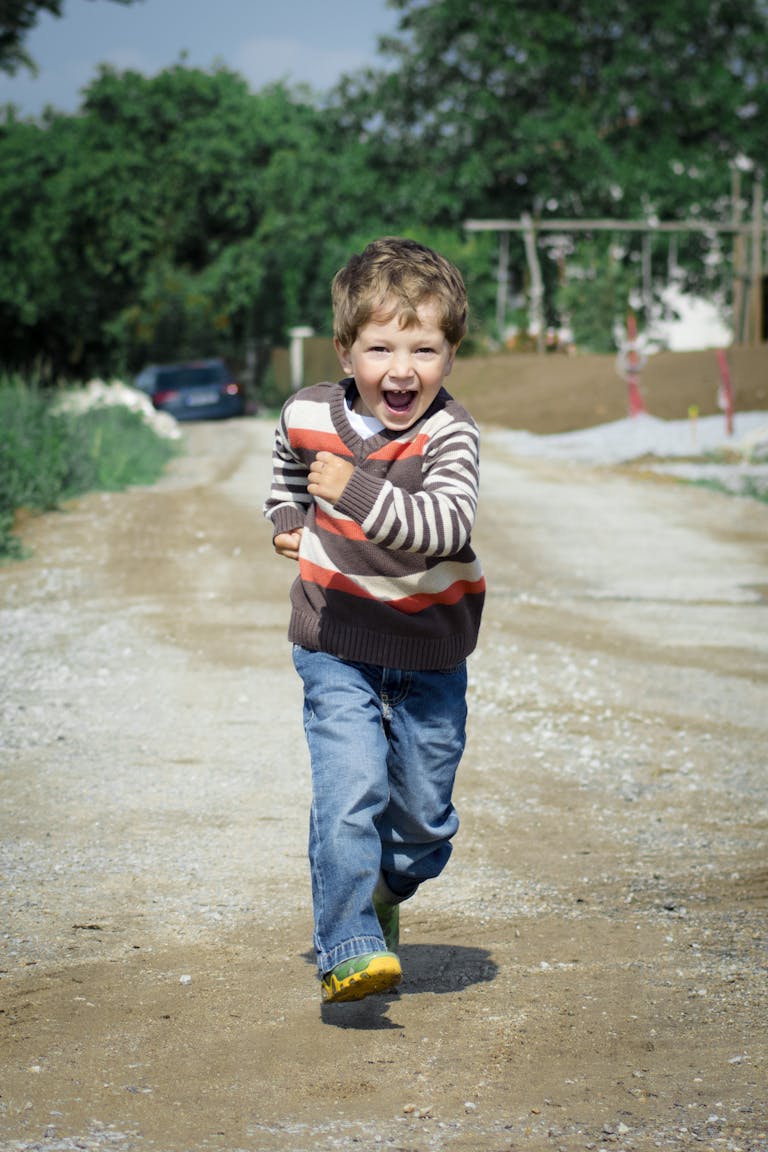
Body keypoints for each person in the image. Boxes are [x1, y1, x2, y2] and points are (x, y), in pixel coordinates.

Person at [263, 237, 485, 1004]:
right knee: (348, 788)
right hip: (336, 641)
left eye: (424, 348)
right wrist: (288, 516)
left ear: (450, 356)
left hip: (428, 650)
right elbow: (287, 467)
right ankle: (348, 944)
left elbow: (445, 525)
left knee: (424, 826)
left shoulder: (450, 435)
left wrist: (352, 492)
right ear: (344, 350)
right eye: (380, 346)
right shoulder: (308, 412)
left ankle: (386, 890)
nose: (402, 368)